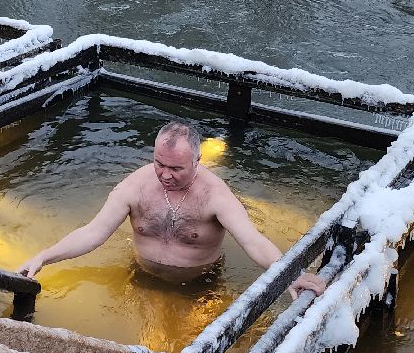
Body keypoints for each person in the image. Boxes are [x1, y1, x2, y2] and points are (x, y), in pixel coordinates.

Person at [17, 120, 327, 297]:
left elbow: (252, 240)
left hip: (201, 283)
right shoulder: (134, 187)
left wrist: (291, 275)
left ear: (197, 161)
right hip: (140, 274)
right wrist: (44, 256)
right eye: (159, 164)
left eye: (176, 168)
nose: (165, 175)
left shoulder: (215, 195)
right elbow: (93, 232)